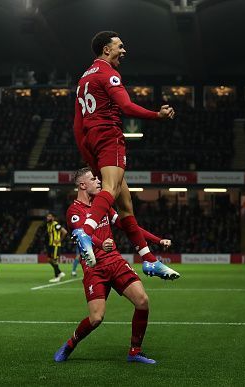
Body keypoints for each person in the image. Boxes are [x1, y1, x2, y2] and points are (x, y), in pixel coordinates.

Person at [70, 30, 179, 281]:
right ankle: (86, 232)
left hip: (91, 140)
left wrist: (87, 152)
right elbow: (126, 106)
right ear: (106, 50)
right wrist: (157, 116)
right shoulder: (109, 73)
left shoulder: (84, 79)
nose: (124, 50)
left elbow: (77, 124)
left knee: (125, 204)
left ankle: (149, 260)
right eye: (120, 46)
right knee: (110, 187)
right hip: (109, 137)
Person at [55, 167, 170, 364]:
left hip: (115, 262)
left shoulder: (104, 206)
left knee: (142, 301)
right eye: (94, 179)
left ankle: (135, 351)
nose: (99, 182)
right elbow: (82, 234)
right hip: (95, 269)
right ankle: (70, 343)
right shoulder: (74, 211)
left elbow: (128, 226)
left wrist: (157, 240)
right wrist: (101, 244)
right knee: (96, 319)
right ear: (82, 185)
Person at [46, 213, 66, 283]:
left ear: (53, 218)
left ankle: (57, 276)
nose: (48, 218)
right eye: (47, 216)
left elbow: (64, 232)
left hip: (56, 245)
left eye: (50, 216)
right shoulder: (48, 225)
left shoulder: (56, 224)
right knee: (49, 260)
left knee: (54, 260)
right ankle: (59, 273)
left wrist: (59, 240)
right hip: (50, 245)